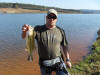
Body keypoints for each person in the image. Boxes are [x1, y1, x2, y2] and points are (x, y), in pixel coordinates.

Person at [22, 9, 72, 75]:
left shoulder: (61, 31)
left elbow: (65, 46)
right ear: (46, 18)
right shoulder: (38, 29)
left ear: (56, 19)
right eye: (49, 17)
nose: (51, 19)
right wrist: (25, 31)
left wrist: (68, 60)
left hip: (58, 61)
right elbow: (24, 37)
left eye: (54, 17)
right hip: (44, 63)